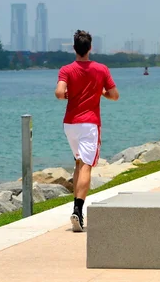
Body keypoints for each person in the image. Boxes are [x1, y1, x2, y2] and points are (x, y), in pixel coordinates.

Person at [55, 30, 119, 232]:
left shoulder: (66, 69)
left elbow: (59, 93)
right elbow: (115, 95)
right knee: (86, 167)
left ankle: (77, 209)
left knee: (79, 163)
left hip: (70, 124)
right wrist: (100, 93)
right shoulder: (101, 69)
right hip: (90, 124)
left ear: (74, 48)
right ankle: (78, 211)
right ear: (90, 48)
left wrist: (70, 95)